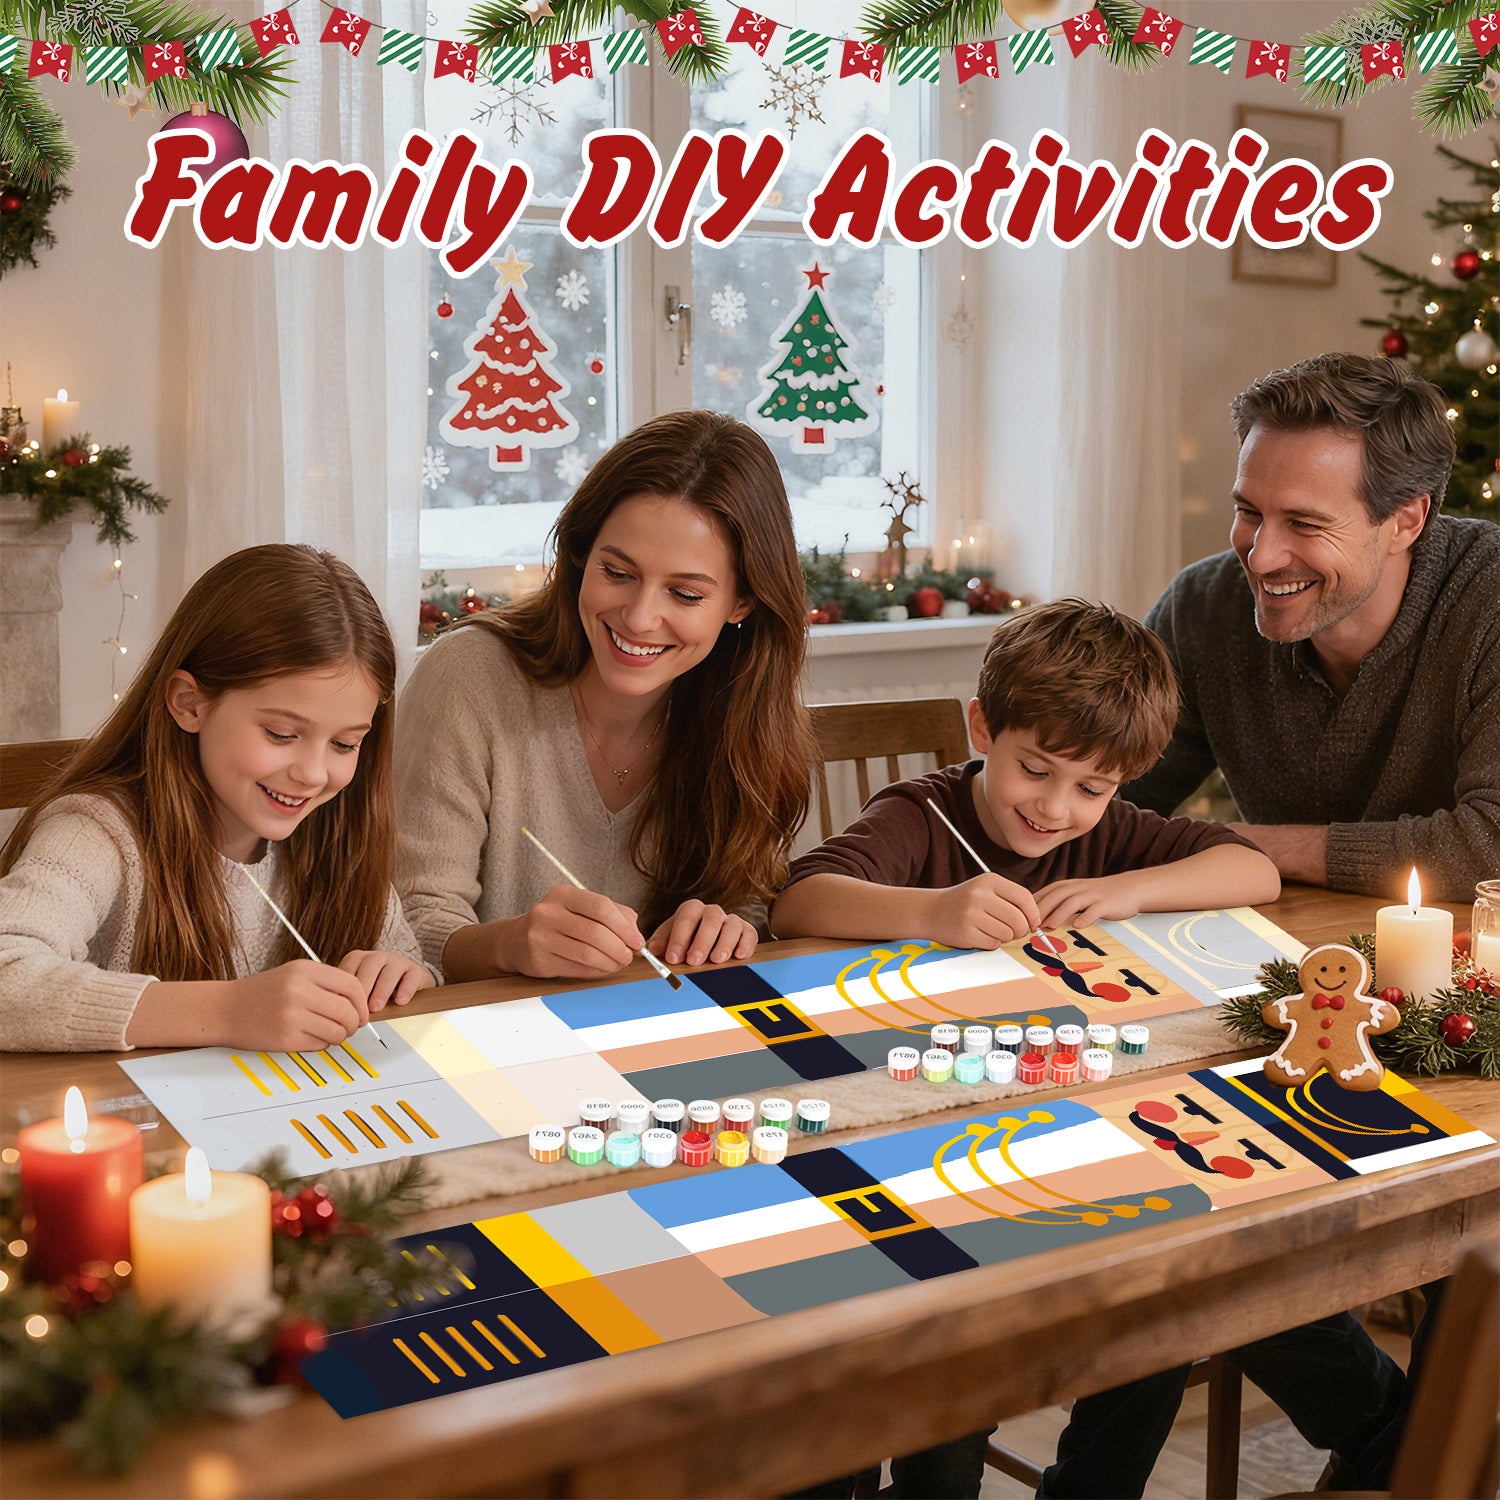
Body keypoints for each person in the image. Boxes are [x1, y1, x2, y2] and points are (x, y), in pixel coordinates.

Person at [772, 598, 1280, 1500]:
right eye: (1034, 771)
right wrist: (933, 911)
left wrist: (1129, 890)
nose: (1054, 808)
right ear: (983, 729)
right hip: (913, 1141)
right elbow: (800, 899)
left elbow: (1255, 869)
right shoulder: (922, 815)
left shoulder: (1107, 835)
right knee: (955, 1369)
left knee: (1161, 1304)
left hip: (1065, 1135)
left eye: (1092, 788)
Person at [395, 409, 815, 983]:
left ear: (742, 603)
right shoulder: (468, 676)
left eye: (686, 594)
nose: (640, 617)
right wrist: (509, 945)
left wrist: (728, 925)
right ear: (580, 554)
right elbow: (408, 925)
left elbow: (751, 902)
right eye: (618, 573)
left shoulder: (747, 710)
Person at [0, 544, 435, 1053]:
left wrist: (405, 974)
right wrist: (228, 1011)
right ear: (190, 704)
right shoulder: (93, 834)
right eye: (280, 734)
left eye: (344, 744)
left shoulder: (337, 834)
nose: (313, 774)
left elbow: (407, 961)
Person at [1123, 351, 1499, 902]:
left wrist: (1238, 845)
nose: (1261, 556)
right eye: (1249, 512)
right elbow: (1098, 789)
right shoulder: (1202, 609)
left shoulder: (1489, 601)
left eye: (1303, 523)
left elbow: (1492, 844)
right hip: (1274, 945)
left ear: (1405, 521)